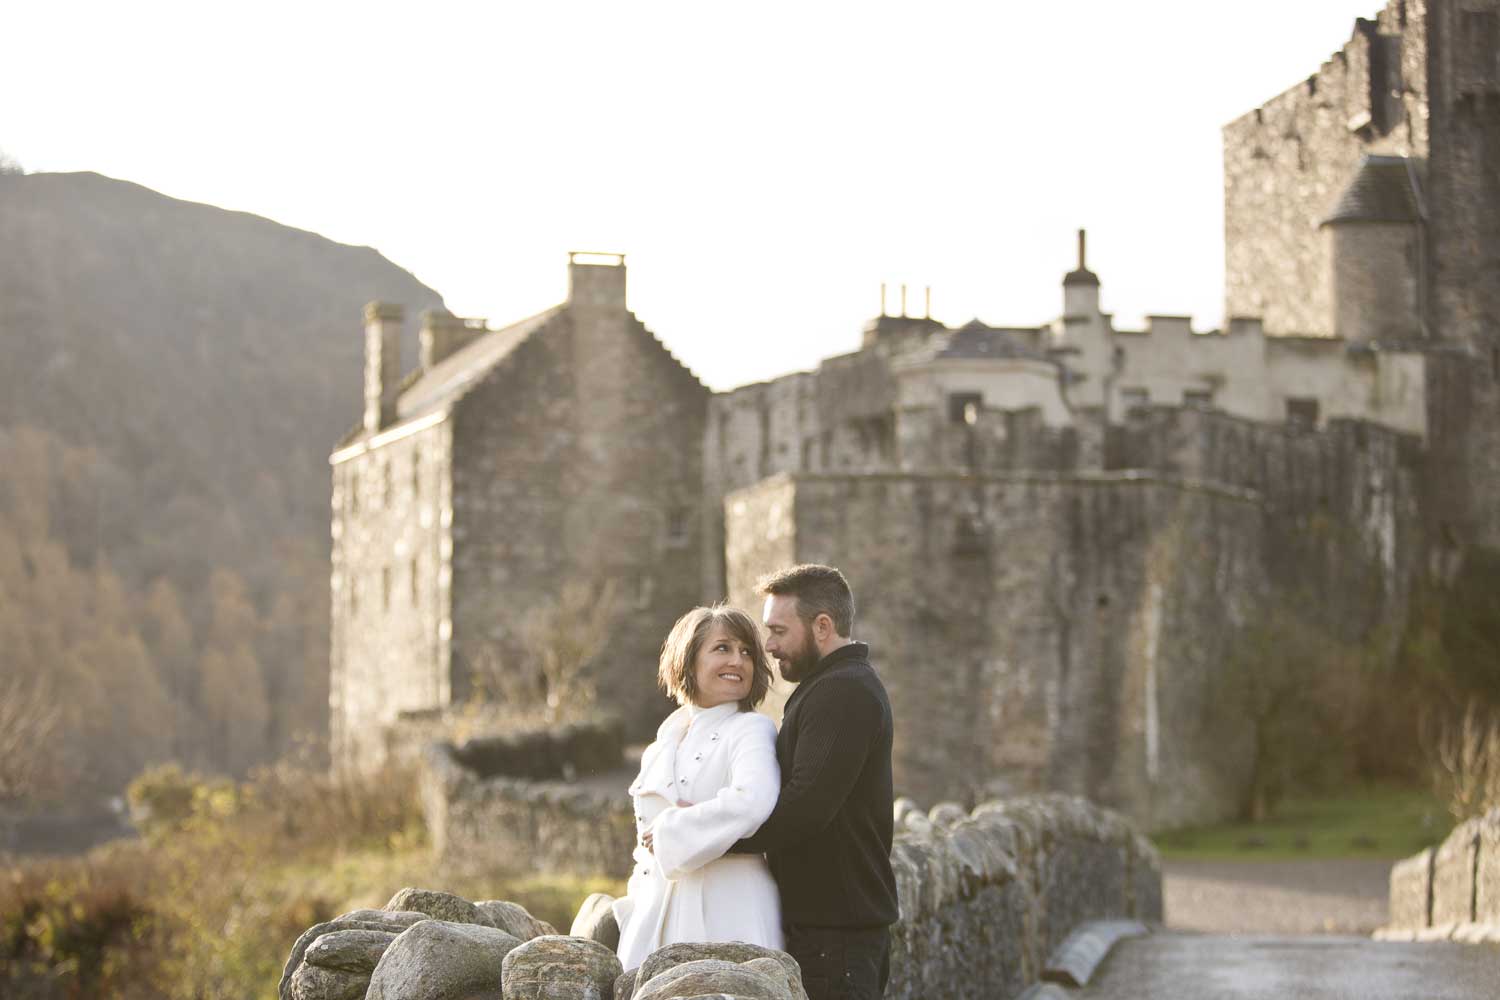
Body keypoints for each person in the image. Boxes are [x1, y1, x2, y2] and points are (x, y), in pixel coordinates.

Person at [730, 564, 897, 1000]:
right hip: (830, 931)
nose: (768, 646)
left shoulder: (843, 691)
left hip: (836, 936)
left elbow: (805, 810)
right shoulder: (831, 685)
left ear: (822, 626)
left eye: (779, 631)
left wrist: (712, 837)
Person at [613, 605, 784, 972]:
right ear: (688, 661)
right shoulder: (662, 744)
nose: (738, 660)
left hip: (728, 910)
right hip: (657, 913)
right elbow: (645, 847)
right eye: (722, 648)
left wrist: (674, 828)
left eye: (747, 651)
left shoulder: (751, 729)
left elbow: (752, 801)